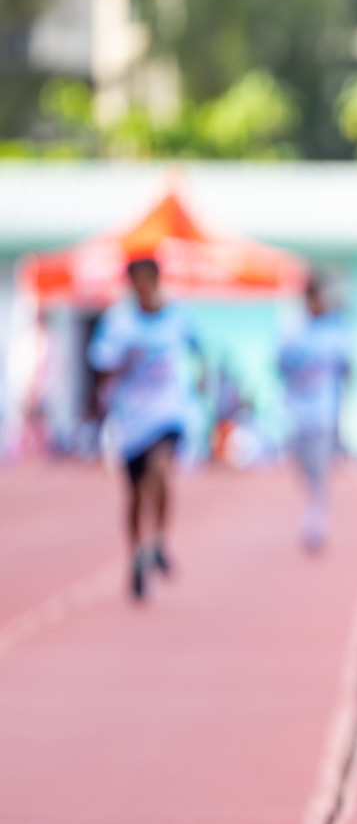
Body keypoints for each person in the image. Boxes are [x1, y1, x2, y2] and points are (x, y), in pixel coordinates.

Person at [88, 257, 201, 600]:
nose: (142, 288)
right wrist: (124, 362)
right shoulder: (117, 323)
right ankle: (137, 552)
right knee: (135, 492)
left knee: (161, 470)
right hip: (131, 417)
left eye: (147, 281)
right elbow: (102, 368)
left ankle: (159, 540)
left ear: (156, 281)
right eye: (135, 282)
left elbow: (198, 350)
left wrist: (203, 380)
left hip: (168, 411)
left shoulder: (177, 317)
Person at [278, 276, 351, 551]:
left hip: (324, 409)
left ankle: (316, 517)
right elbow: (279, 364)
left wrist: (343, 405)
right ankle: (311, 498)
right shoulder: (292, 329)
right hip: (297, 409)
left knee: (320, 466)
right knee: (302, 465)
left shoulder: (338, 330)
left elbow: (346, 368)